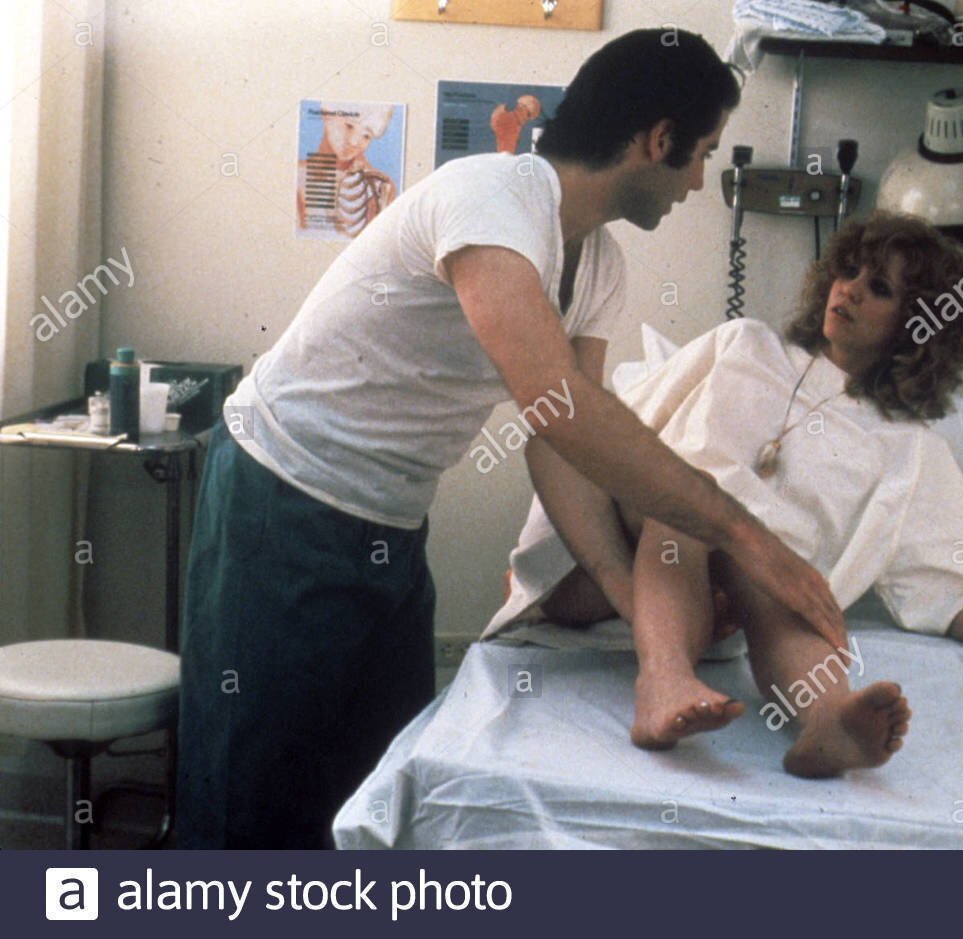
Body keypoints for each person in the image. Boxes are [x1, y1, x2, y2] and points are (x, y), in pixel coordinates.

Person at [178, 28, 844, 848]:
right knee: (250, 802)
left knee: (377, 791)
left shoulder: (597, 265)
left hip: (390, 524)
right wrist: (749, 535)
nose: (700, 181)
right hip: (282, 499)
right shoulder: (491, 196)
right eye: (701, 154)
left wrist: (637, 609)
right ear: (658, 139)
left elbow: (562, 443)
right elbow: (559, 404)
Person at [521, 214, 963, 778]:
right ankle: (663, 681)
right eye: (848, 271)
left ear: (919, 323)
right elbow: (608, 436)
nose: (850, 289)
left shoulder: (911, 447)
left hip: (730, 601)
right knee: (687, 514)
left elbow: (940, 577)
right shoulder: (745, 344)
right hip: (625, 558)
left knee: (783, 591)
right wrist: (546, 545)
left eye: (878, 288)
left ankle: (829, 720)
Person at [296, 101, 398, 238]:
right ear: (326, 116)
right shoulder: (297, 175)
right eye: (349, 126)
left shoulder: (380, 186)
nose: (353, 142)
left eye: (366, 136)